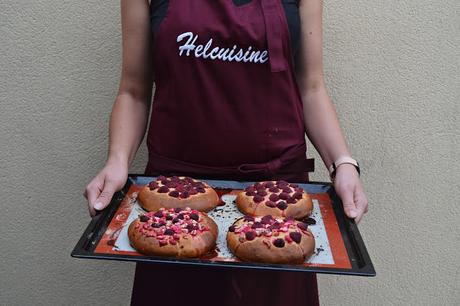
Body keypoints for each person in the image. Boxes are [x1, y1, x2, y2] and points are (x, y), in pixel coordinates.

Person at [84, 0, 369, 305]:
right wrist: (117, 161)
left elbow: (311, 87)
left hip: (277, 203)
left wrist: (343, 164)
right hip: (173, 202)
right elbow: (134, 91)